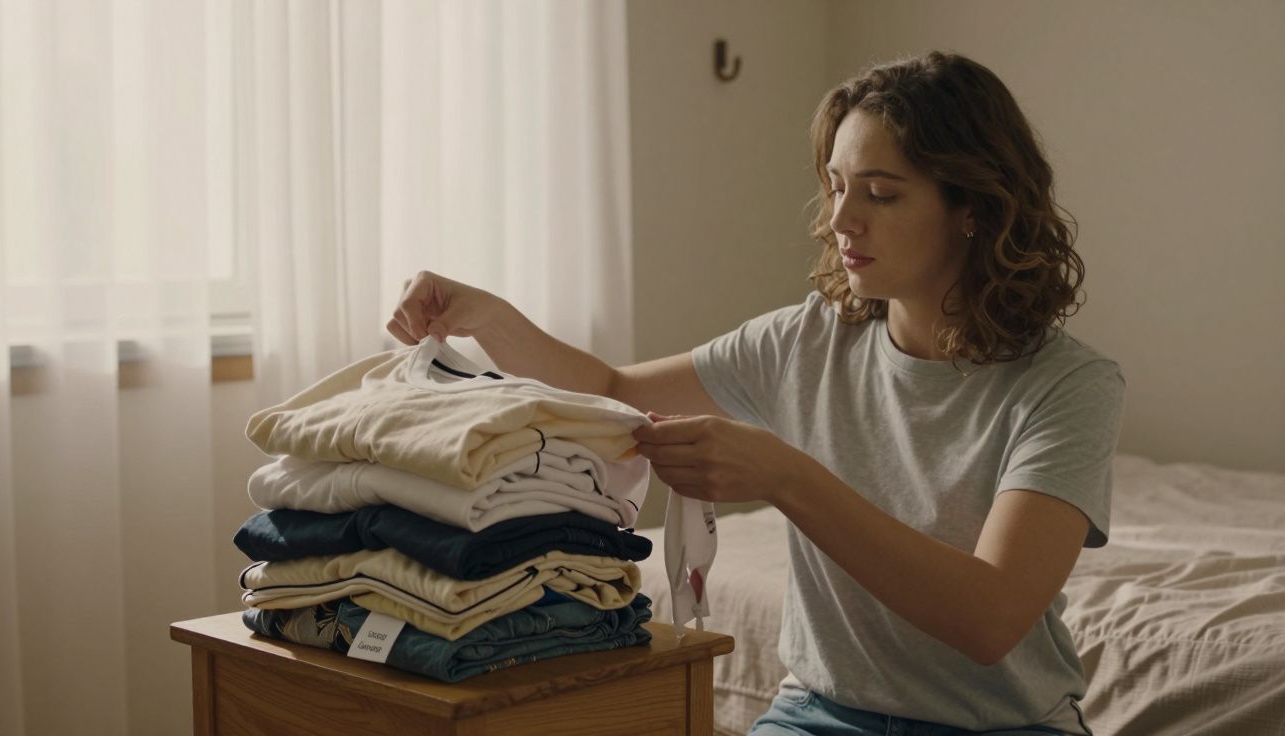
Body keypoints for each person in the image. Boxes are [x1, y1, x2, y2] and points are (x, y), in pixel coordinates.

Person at [386, 51, 1123, 736]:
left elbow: (989, 617)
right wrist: (486, 316)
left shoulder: (1065, 386)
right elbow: (610, 390)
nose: (841, 221)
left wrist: (783, 475)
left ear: (973, 208)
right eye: (836, 187)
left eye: (880, 194)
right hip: (824, 714)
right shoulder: (806, 341)